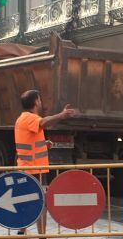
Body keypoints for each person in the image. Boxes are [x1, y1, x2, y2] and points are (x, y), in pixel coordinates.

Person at [15, 90, 76, 236]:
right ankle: (41, 235)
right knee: (41, 202)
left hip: (29, 169)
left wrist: (43, 144)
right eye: (40, 100)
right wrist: (61, 115)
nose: (41, 103)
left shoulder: (22, 119)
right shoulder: (30, 118)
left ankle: (21, 231)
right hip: (35, 170)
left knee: (28, 201)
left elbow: (28, 141)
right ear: (36, 102)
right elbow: (44, 122)